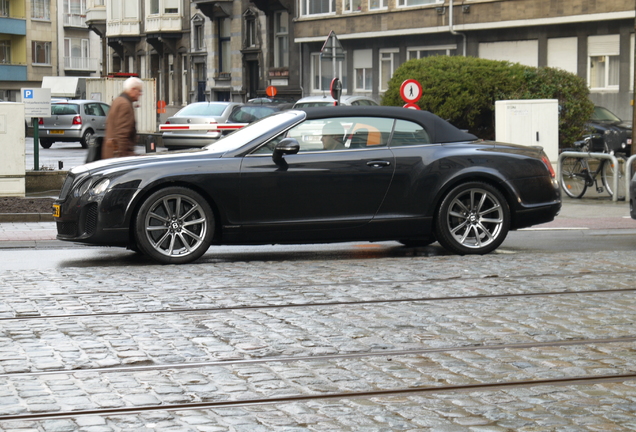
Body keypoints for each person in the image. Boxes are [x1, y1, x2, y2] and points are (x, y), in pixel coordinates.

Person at [102, 77, 143, 159]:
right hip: (118, 157)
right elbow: (122, 135)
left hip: (111, 155)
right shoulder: (125, 105)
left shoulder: (117, 101)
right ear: (133, 89)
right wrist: (123, 158)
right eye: (139, 90)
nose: (140, 93)